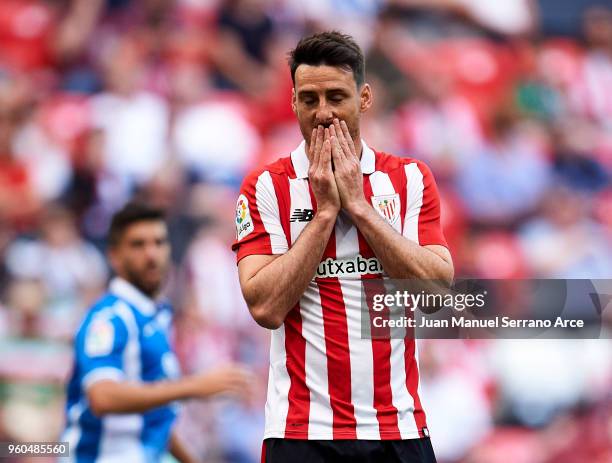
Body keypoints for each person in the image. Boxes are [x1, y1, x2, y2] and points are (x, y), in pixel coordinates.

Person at [232, 31, 453, 463]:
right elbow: (265, 307)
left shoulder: (409, 179)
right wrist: (327, 213)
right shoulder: (266, 186)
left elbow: (437, 295)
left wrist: (360, 207)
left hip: (399, 429)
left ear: (364, 98)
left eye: (337, 96)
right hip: (302, 432)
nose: (324, 113)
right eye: (309, 99)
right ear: (293, 102)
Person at [63, 202, 251, 462]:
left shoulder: (155, 319)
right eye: (138, 245)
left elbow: (154, 417)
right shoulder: (110, 318)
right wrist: (194, 386)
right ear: (114, 256)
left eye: (159, 243)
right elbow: (102, 396)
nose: (152, 254)